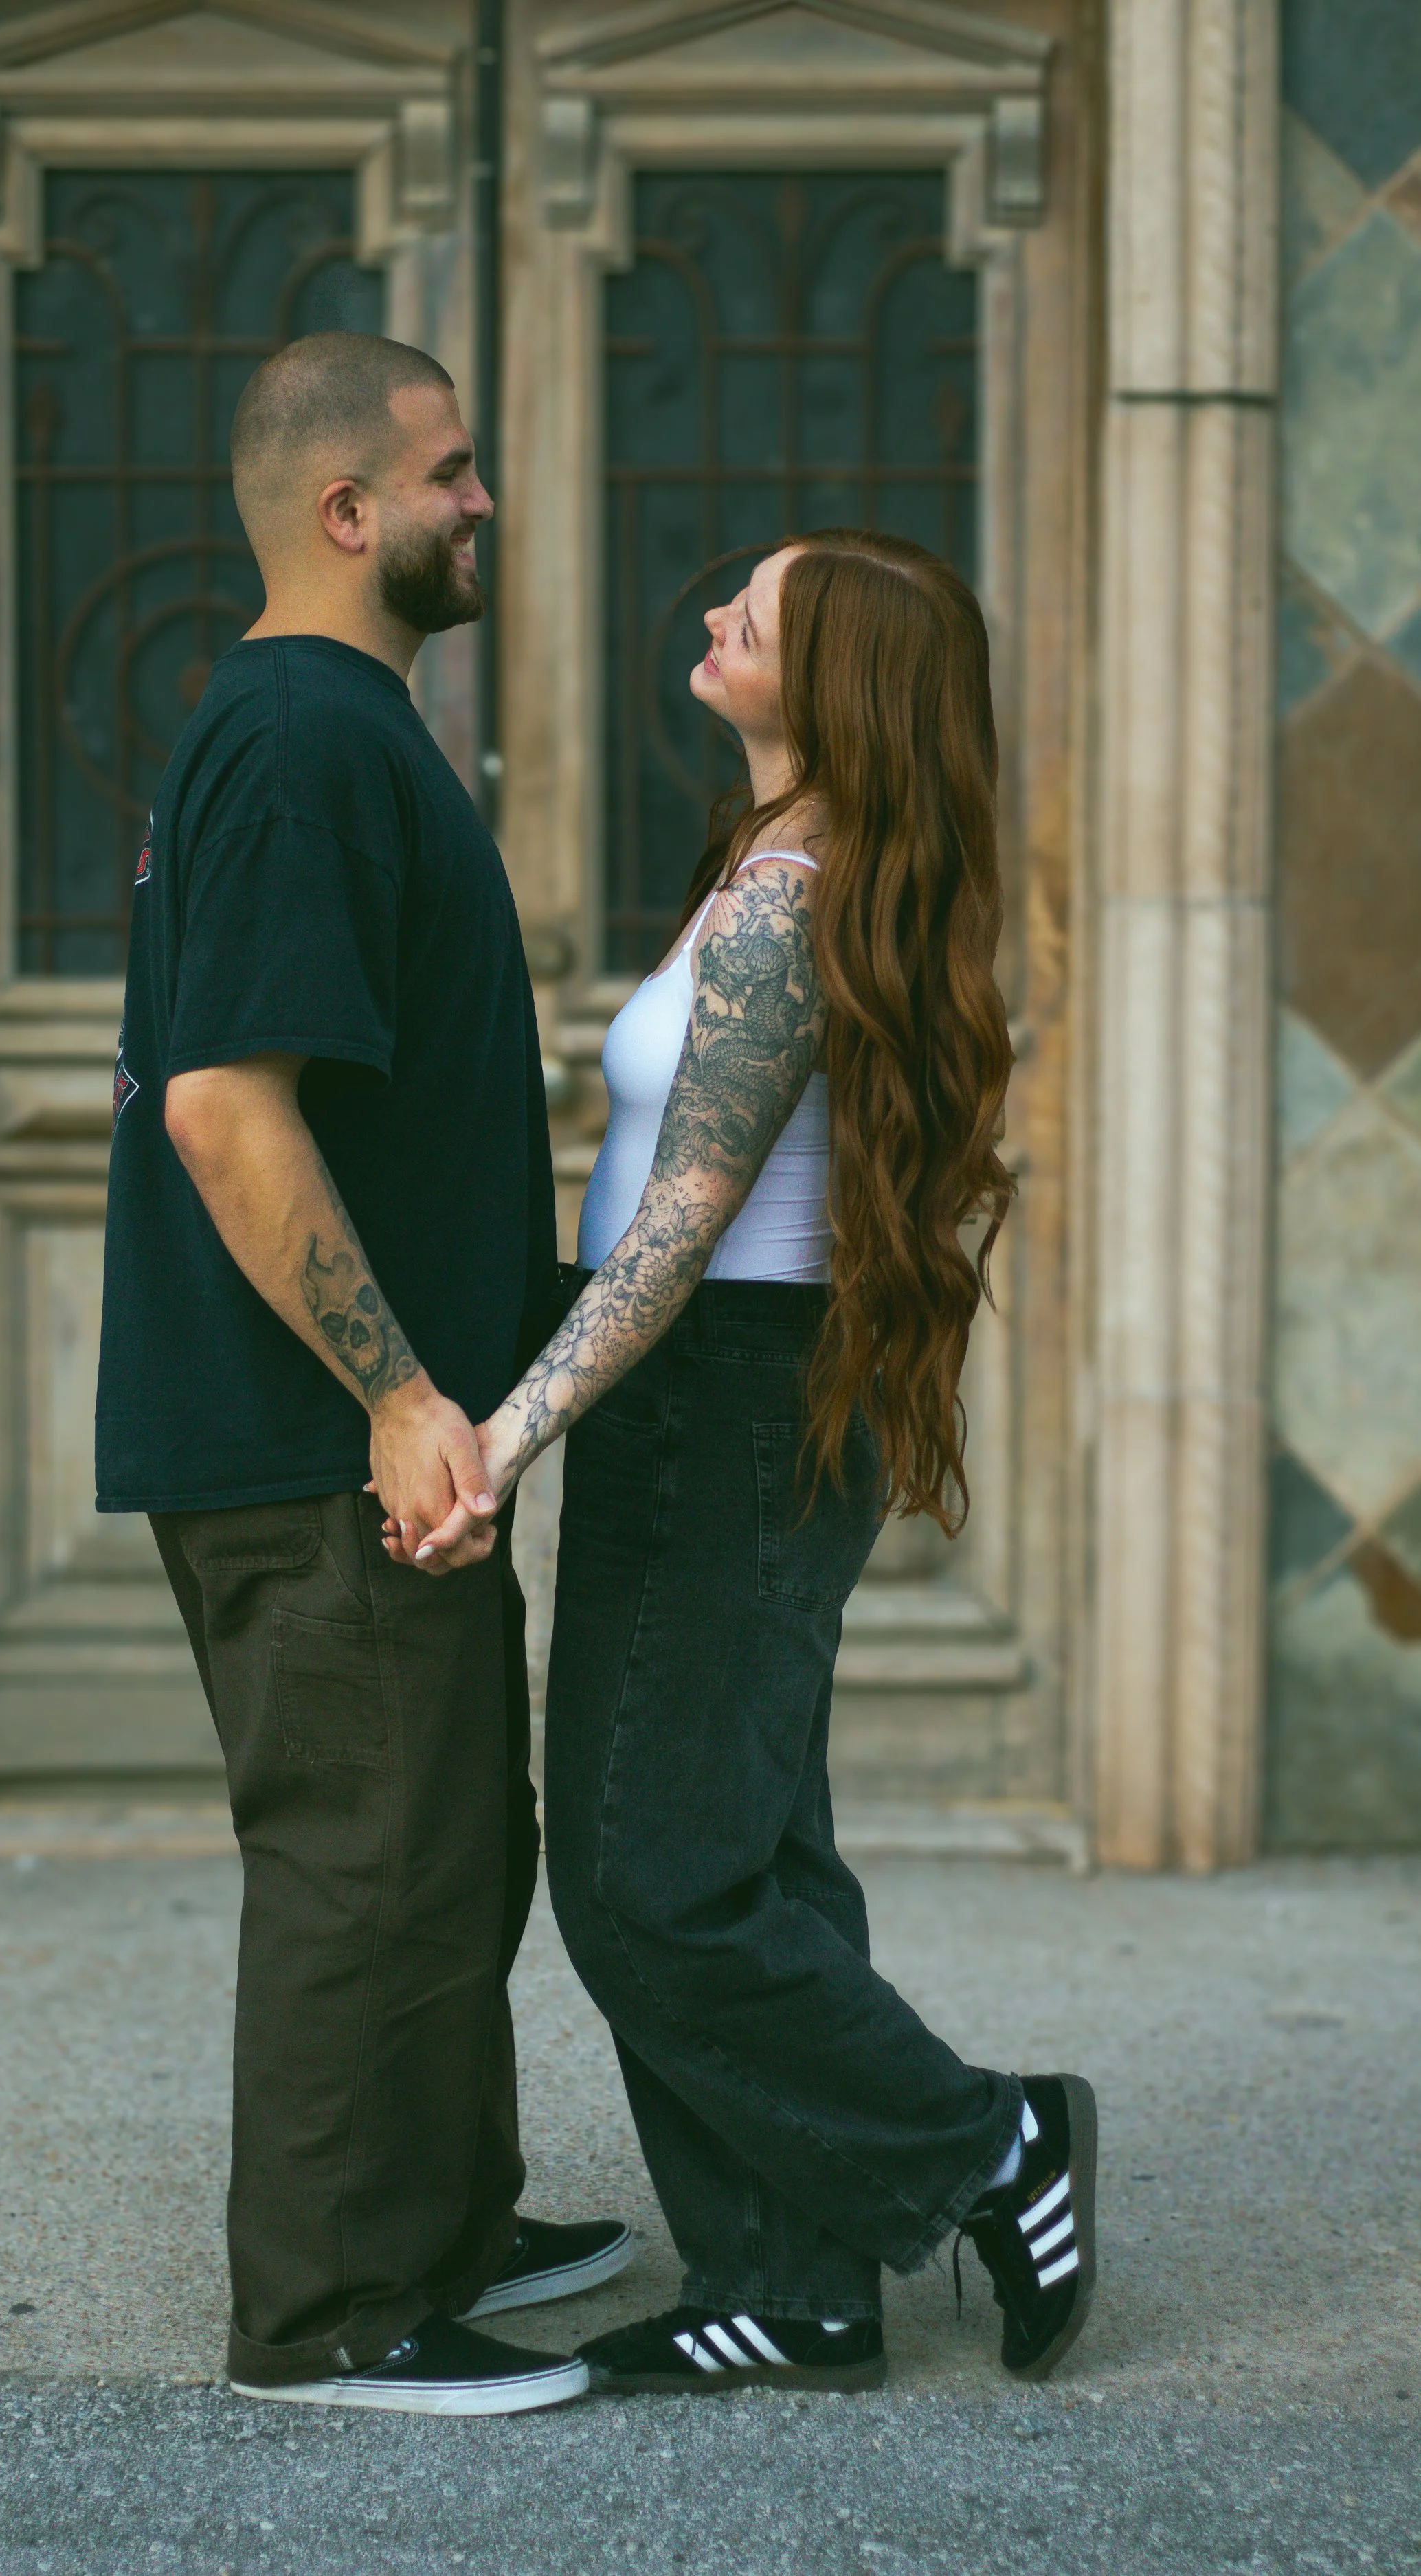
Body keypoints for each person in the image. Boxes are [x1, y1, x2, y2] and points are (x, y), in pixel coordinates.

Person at [398, 529, 1097, 2395]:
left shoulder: (796, 898)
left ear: (834, 676)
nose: (715, 611)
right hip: (728, 1392)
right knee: (746, 1850)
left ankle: (987, 2144)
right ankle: (789, 2277)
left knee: (649, 1874)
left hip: (721, 1392)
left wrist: (502, 1437)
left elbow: (674, 1235)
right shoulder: (774, 864)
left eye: (758, 610)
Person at [94, 331, 627, 2415]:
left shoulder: (325, 731)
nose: (480, 501)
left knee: (444, 1835)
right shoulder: (306, 738)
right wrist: (401, 1395)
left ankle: (440, 2216)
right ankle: (329, 2310)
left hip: (361, 1434)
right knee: (370, 1850)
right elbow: (226, 1107)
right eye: (452, 471)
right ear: (348, 511)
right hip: (319, 1439)